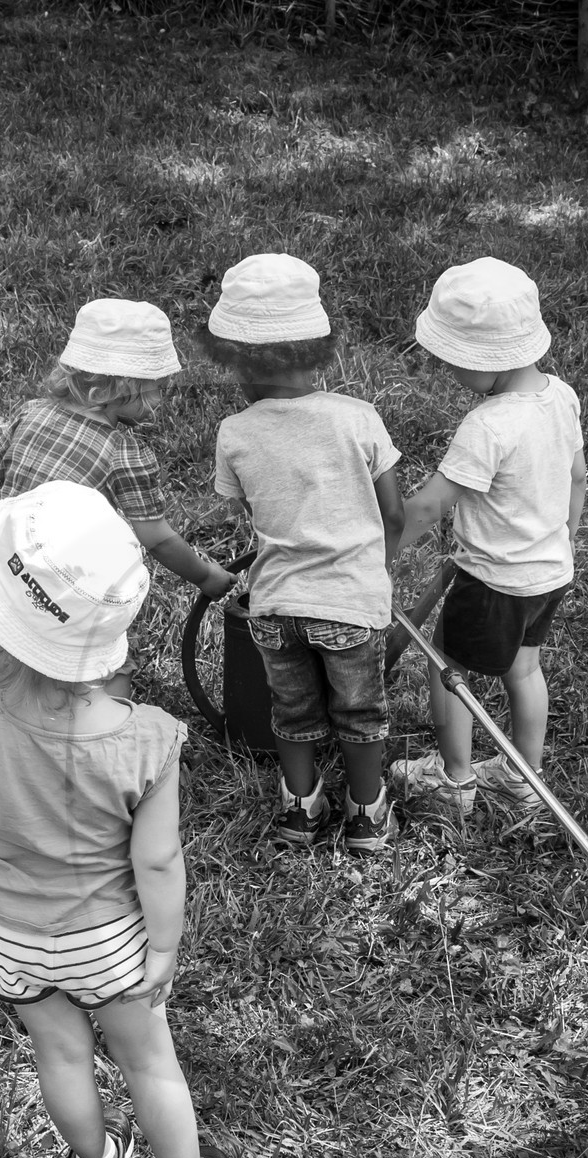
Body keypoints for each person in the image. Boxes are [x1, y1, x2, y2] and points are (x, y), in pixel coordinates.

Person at [0, 481, 238, 1158]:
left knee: (60, 1052)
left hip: (7, 933)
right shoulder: (147, 740)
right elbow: (158, 860)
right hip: (108, 942)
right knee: (149, 1062)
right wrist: (161, 946)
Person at [201, 252, 405, 853]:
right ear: (320, 350)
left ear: (235, 362)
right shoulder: (359, 418)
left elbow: (253, 514)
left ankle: (300, 807)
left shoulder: (235, 432)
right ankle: (366, 813)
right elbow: (393, 513)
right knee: (360, 714)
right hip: (350, 604)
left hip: (274, 607)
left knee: (291, 712)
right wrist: (375, 566)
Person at [390, 258, 586, 820]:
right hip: (551, 573)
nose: (449, 373)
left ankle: (455, 781)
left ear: (483, 361)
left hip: (493, 580)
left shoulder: (488, 426)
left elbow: (428, 505)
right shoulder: (561, 396)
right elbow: (577, 477)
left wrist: (378, 555)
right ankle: (526, 779)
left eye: (453, 363)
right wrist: (564, 541)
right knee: (524, 670)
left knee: (447, 666)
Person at [0, 296, 236, 653]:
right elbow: (157, 538)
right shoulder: (123, 452)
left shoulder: (31, 412)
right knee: (105, 659)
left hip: (5, 567)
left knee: (12, 649)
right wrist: (206, 576)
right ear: (119, 388)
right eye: (156, 386)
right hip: (63, 588)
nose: (162, 399)